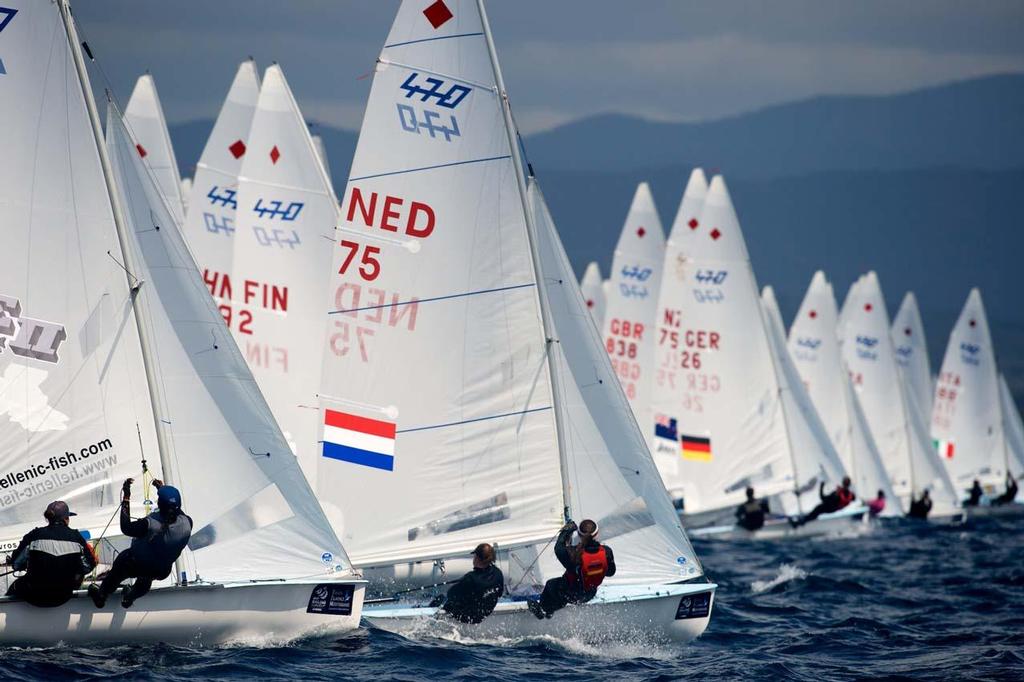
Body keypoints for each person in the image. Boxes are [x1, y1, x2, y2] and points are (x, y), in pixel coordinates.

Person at [88, 477, 192, 609]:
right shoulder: (188, 523)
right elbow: (175, 510)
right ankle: (129, 598)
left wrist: (126, 498)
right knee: (147, 577)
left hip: (136, 565)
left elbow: (126, 528)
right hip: (162, 571)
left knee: (123, 562)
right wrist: (162, 489)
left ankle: (102, 595)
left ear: (159, 504)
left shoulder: (149, 525)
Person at [5, 501, 96, 607]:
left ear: (48, 518)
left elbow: (16, 564)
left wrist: (25, 564)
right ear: (66, 519)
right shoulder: (76, 537)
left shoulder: (35, 535)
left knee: (15, 586)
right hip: (63, 597)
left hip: (34, 596)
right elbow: (88, 567)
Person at [528, 519, 615, 620]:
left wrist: (567, 530)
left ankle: (544, 609)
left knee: (551, 585)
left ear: (578, 534)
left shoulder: (573, 554)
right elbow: (610, 572)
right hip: (589, 594)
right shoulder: (606, 551)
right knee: (564, 589)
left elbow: (558, 548)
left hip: (571, 594)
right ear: (597, 534)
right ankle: (549, 611)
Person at [434, 543, 504, 624]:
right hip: (483, 615)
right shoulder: (498, 573)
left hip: (467, 618)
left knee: (441, 598)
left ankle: (428, 620)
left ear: (477, 558)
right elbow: (499, 593)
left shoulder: (471, 578)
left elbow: (451, 594)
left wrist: (462, 582)